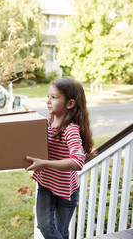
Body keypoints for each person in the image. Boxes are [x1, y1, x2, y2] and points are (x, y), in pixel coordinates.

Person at [26, 77, 93, 239]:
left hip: (66, 190)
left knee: (61, 232)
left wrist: (45, 164)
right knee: (44, 226)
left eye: (54, 97)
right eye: (48, 96)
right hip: (46, 185)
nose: (48, 101)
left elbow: (78, 162)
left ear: (70, 104)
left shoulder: (70, 130)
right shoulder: (48, 123)